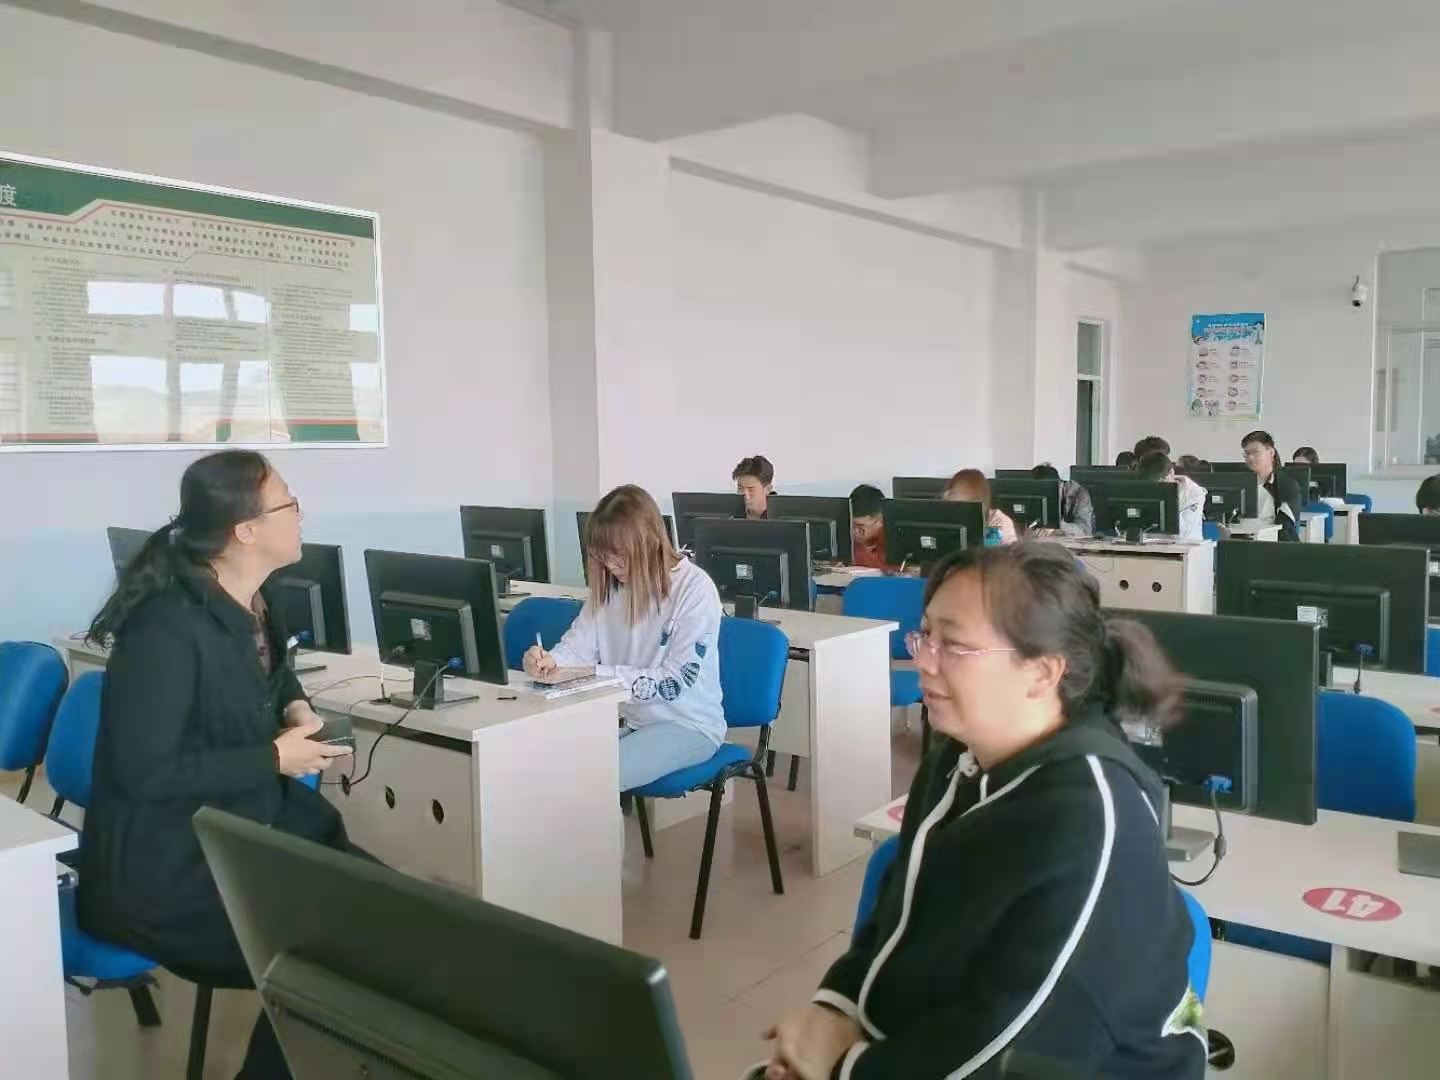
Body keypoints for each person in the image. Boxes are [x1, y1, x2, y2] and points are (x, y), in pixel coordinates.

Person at [759, 543, 1205, 1079]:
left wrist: (844, 1066)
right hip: (932, 1042)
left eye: (954, 645)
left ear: (1041, 673)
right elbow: (898, 915)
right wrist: (833, 1009)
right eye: (926, 635)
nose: (923, 660)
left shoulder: (1093, 817)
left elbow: (1011, 1045)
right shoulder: (957, 758)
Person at [79, 451, 356, 1080]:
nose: (302, 512)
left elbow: (273, 669)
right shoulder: (166, 628)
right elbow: (145, 774)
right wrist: (273, 756)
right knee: (338, 962)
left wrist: (294, 703)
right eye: (289, 502)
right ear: (247, 530)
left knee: (393, 923)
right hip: (165, 871)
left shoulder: (253, 597)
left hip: (242, 828)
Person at [527, 485, 725, 792]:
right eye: (603, 556)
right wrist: (550, 661)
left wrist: (593, 674)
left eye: (618, 556)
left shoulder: (695, 589)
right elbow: (577, 649)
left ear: (647, 543)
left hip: (688, 725)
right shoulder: (610, 588)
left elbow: (673, 683)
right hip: (631, 721)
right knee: (545, 765)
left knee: (595, 779)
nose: (610, 565)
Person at [1241, 430, 1302, 541]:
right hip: (1243, 538)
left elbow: (1286, 528)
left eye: (1255, 452)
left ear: (1271, 452)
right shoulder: (1241, 483)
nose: (1250, 458)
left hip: (1275, 543)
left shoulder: (1286, 485)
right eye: (1247, 453)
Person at [1136, 450, 1207, 541]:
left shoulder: (1193, 494)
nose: (1157, 488)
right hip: (1151, 544)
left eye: (1162, 483)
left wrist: (1169, 501)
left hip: (1187, 546)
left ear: (1171, 472)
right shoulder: (1145, 489)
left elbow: (1181, 533)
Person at [942, 469, 1017, 544]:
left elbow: (991, 548)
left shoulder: (996, 520)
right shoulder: (948, 518)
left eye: (965, 492)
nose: (958, 497)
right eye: (953, 492)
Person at [1031, 463, 1095, 537]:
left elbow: (1084, 530)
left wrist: (1056, 525)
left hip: (1073, 542)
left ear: (1060, 484)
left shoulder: (1079, 494)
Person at [849, 484, 893, 570]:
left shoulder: (895, 543)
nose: (855, 532)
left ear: (881, 521)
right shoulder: (846, 541)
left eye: (861, 527)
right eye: (851, 526)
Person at [734, 455, 775, 519]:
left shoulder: (782, 517)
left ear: (768, 489)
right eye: (740, 489)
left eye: (751, 490)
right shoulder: (732, 516)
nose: (746, 496)